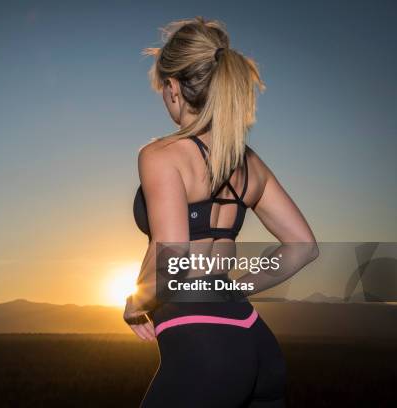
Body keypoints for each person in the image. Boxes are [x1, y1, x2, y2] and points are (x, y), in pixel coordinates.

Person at [124, 17, 319, 407]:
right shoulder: (249, 163)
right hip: (256, 343)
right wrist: (233, 288)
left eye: (163, 89)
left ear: (174, 88)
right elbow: (302, 246)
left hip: (205, 352)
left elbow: (173, 253)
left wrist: (135, 303)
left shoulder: (161, 156)